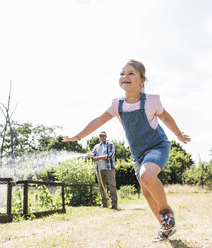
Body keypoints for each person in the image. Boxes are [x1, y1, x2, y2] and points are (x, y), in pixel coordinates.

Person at [62, 59, 191, 242]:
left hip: (157, 146)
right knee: (146, 191)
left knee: (147, 176)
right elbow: (98, 120)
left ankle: (166, 213)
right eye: (122, 73)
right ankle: (166, 228)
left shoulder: (152, 100)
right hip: (138, 154)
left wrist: (178, 134)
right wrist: (78, 136)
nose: (125, 76)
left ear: (142, 80)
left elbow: (166, 117)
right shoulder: (117, 105)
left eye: (131, 73)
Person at [87, 131, 118, 209]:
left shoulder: (110, 145)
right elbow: (93, 153)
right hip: (99, 169)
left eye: (103, 136)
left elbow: (109, 156)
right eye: (100, 136)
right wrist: (90, 155)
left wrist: (98, 158)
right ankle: (104, 204)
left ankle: (114, 203)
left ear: (106, 136)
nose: (102, 137)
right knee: (101, 186)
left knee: (112, 185)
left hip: (109, 168)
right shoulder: (97, 146)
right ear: (99, 137)